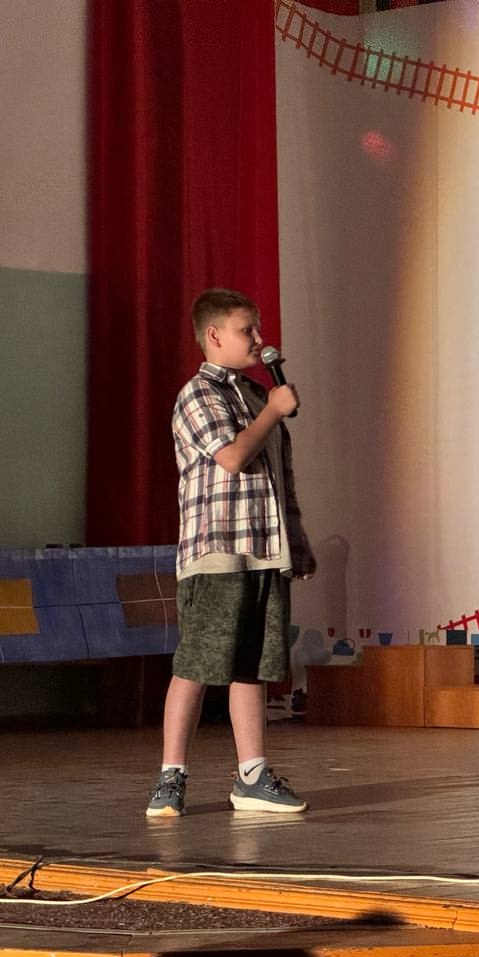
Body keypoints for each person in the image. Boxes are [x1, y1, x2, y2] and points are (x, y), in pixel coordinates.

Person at [147, 288, 316, 817]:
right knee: (197, 663)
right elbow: (233, 457)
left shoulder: (256, 393)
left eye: (258, 329)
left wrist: (297, 540)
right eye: (248, 330)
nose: (260, 339)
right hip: (217, 551)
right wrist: (273, 410)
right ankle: (171, 777)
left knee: (252, 666)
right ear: (215, 335)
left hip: (264, 549)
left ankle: (252, 776)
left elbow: (279, 478)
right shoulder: (198, 394)